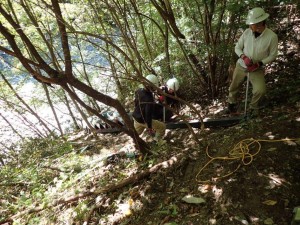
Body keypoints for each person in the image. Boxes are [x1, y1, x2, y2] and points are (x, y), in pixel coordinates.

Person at [227, 7, 278, 117]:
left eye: (252, 24)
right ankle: (231, 104)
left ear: (260, 23)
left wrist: (259, 63)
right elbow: (237, 48)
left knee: (260, 90)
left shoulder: (272, 37)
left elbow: (273, 55)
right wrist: (243, 57)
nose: (250, 26)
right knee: (234, 86)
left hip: (256, 69)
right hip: (241, 65)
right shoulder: (247, 32)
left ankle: (253, 108)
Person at [132, 74, 166, 142]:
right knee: (162, 127)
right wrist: (150, 127)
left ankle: (135, 142)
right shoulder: (149, 98)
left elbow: (136, 102)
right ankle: (157, 142)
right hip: (144, 120)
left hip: (136, 117)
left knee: (136, 134)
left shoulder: (138, 91)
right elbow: (148, 114)